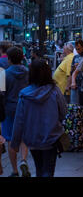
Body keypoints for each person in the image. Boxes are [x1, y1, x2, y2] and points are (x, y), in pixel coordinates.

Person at [10, 59, 67, 177]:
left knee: (39, 168)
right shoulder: (55, 91)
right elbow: (63, 111)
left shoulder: (24, 94)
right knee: (48, 170)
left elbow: (19, 121)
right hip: (51, 137)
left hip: (32, 138)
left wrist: (15, 143)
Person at [2, 47, 30, 177]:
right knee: (23, 136)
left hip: (9, 109)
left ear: (9, 59)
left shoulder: (4, 74)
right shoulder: (28, 72)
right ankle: (23, 160)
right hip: (24, 107)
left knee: (10, 138)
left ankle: (14, 170)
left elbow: (1, 94)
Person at [68, 40, 83, 104]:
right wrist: (73, 68)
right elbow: (71, 72)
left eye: (79, 49)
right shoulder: (75, 57)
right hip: (76, 84)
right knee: (74, 104)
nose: (77, 51)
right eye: (76, 49)